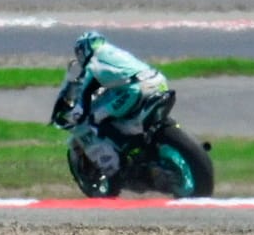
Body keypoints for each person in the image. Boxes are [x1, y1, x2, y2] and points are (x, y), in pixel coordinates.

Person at [48, 31, 170, 179]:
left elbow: (83, 101)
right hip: (159, 82)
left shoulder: (93, 64)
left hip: (135, 90)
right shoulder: (115, 53)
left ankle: (129, 152)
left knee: (95, 119)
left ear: (84, 49)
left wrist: (71, 118)